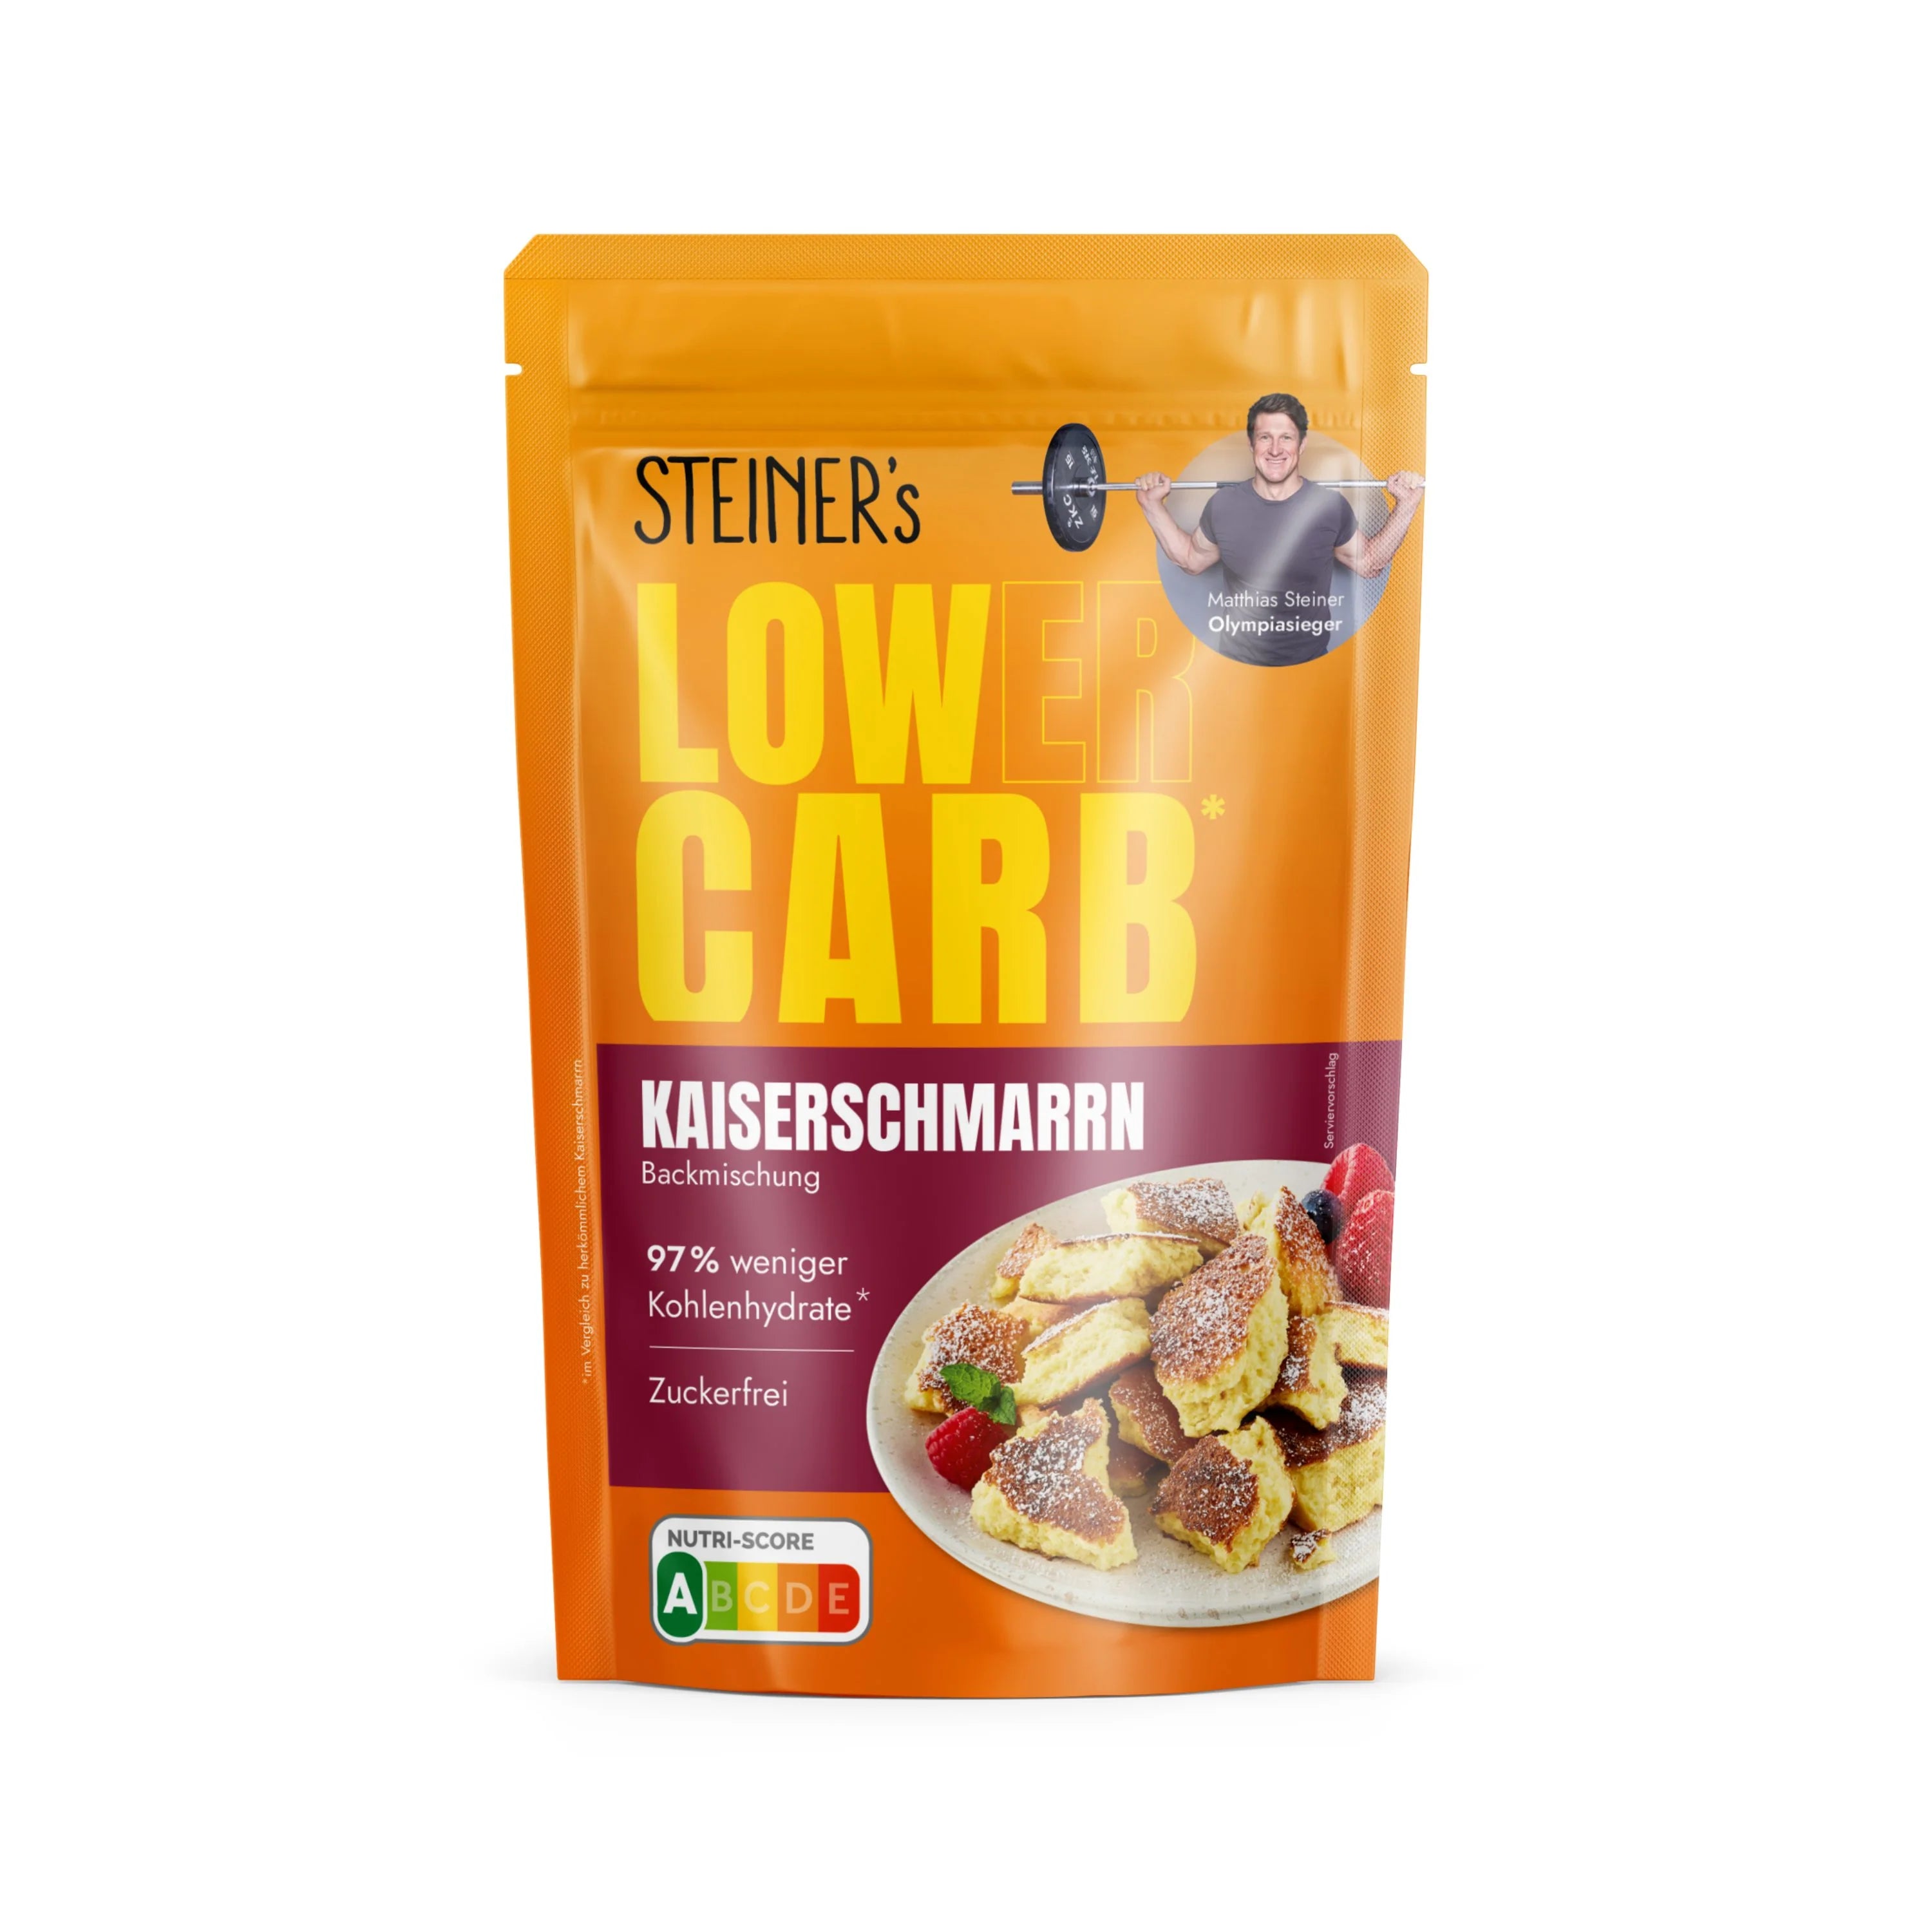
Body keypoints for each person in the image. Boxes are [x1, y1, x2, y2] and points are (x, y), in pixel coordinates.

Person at [1134, 392, 1425, 666]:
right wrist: (1151, 505)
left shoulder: (1330, 507)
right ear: (1251, 444)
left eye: (1286, 437)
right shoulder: (1223, 505)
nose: (1275, 449)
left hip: (1310, 667)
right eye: (1265, 438)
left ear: (1302, 444)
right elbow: (1191, 560)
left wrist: (1407, 505)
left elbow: (1370, 563)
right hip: (1238, 668)